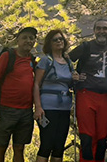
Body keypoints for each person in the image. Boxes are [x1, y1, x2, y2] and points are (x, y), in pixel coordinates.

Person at [68, 19, 107, 162]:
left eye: (105, 28)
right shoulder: (85, 47)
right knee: (87, 135)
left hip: (106, 97)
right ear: (94, 30)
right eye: (99, 28)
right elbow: (66, 58)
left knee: (102, 136)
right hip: (85, 94)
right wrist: (73, 75)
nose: (102, 31)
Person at [0, 26, 38, 162]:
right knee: (1, 148)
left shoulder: (32, 60)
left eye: (31, 38)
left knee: (19, 148)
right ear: (18, 40)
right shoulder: (8, 56)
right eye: (24, 38)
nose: (28, 41)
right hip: (5, 110)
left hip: (26, 112)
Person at [33, 29, 80, 162]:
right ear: (49, 43)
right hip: (47, 108)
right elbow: (36, 84)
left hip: (64, 108)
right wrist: (38, 107)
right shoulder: (45, 61)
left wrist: (75, 79)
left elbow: (69, 85)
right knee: (47, 145)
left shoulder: (68, 62)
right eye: (55, 39)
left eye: (61, 39)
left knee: (59, 146)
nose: (59, 41)